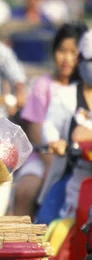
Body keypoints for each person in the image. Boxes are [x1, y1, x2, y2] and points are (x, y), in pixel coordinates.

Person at [14, 22, 87, 217]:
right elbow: (37, 130)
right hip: (43, 155)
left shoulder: (85, 89)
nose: (67, 59)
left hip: (80, 159)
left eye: (74, 53)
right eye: (62, 50)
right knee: (25, 190)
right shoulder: (43, 85)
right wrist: (51, 165)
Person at [40, 29, 92, 219]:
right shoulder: (65, 96)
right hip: (73, 175)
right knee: (50, 234)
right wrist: (55, 141)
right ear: (81, 61)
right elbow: (50, 125)